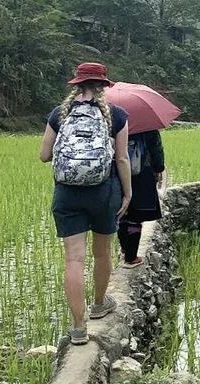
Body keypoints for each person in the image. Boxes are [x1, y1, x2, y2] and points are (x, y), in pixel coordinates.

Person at [40, 62, 132, 346]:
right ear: (104, 86)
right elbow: (121, 158)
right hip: (104, 193)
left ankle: (79, 328)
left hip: (67, 194)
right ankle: (100, 303)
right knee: (102, 253)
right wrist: (127, 193)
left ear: (76, 84)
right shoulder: (116, 115)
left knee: (73, 259)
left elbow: (44, 155)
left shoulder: (59, 114)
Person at [117, 128, 166, 268]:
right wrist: (158, 170)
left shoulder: (115, 123)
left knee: (122, 212)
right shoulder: (149, 128)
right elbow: (157, 152)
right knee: (136, 217)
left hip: (118, 174)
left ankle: (125, 248)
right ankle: (131, 258)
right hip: (142, 175)